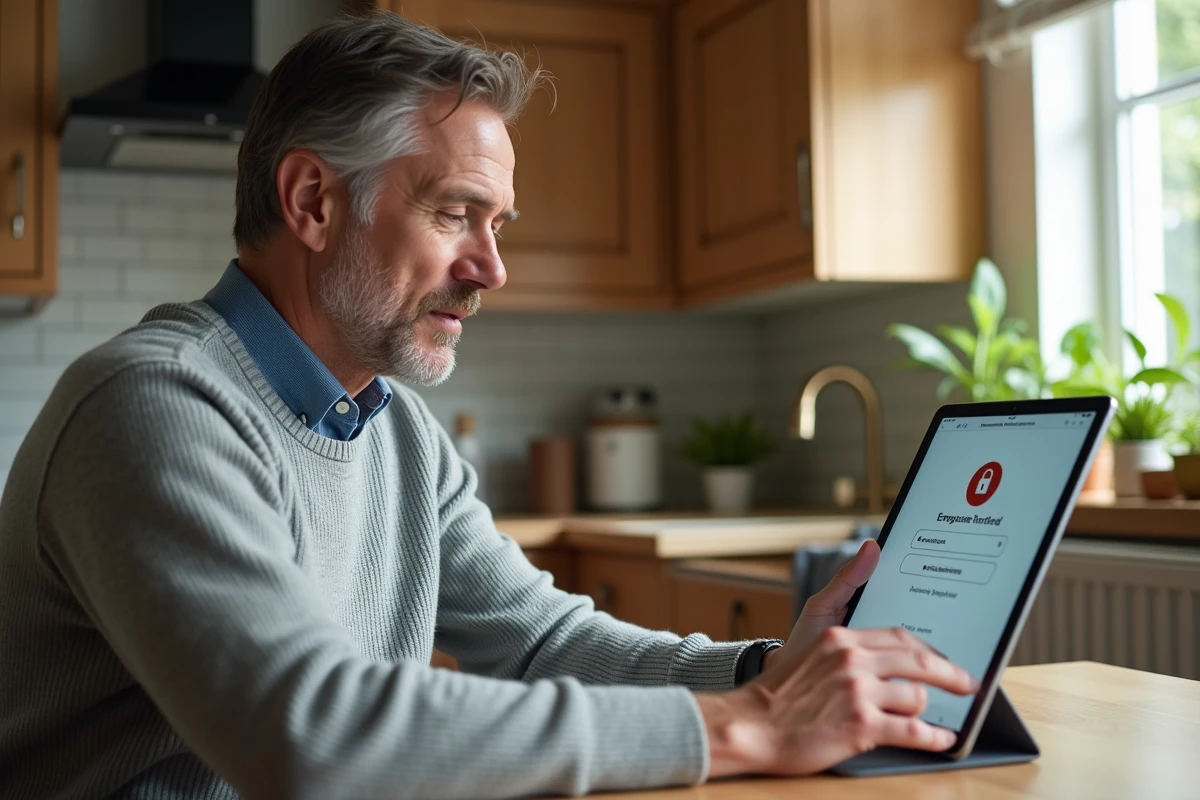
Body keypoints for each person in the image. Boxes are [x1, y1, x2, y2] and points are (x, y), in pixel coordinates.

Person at [0, 11, 977, 799]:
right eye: (455, 212)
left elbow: (546, 639)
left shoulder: (395, 434)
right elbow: (310, 737)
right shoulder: (154, 407)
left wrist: (765, 669)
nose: (492, 268)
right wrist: (749, 726)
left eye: (497, 222)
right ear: (312, 202)